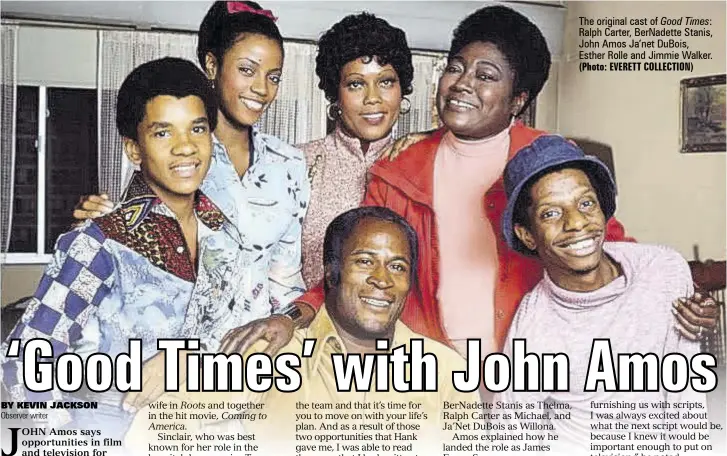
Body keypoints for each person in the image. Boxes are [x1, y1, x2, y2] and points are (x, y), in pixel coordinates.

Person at [293, 5, 718, 361]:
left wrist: (683, 304)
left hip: (535, 372)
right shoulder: (397, 169)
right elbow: (354, 267)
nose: (462, 84)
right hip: (431, 377)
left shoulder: (549, 157)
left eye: (486, 76)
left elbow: (613, 252)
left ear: (518, 100)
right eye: (455, 68)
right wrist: (295, 315)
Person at [0, 57, 237, 438]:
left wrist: (183, 362)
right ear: (133, 149)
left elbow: (233, 330)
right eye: (163, 133)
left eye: (197, 128)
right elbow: (25, 365)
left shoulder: (224, 233)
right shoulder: (98, 243)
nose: (185, 147)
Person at [123, 207, 480, 454]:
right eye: (365, 261)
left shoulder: (446, 371)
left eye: (398, 267)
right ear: (331, 272)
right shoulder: (273, 355)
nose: (382, 280)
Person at [71, 2, 311, 358]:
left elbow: (286, 280)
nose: (262, 89)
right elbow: (134, 263)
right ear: (212, 65)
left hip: (257, 363)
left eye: (273, 77)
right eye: (247, 70)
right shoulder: (176, 160)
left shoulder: (290, 164)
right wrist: (94, 222)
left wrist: (287, 323)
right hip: (171, 360)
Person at [493, 134, 708, 453]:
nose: (577, 222)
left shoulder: (664, 270)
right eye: (551, 213)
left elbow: (687, 406)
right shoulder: (532, 330)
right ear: (526, 235)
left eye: (585, 203)